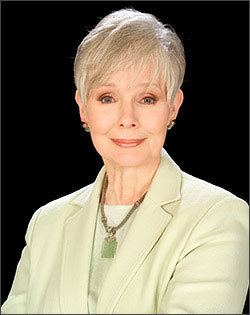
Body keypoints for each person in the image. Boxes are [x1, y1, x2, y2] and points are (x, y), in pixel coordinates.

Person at [1, 8, 248, 314]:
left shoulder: (219, 217)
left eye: (147, 99)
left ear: (173, 107)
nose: (127, 119)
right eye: (107, 98)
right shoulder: (46, 224)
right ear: (83, 108)